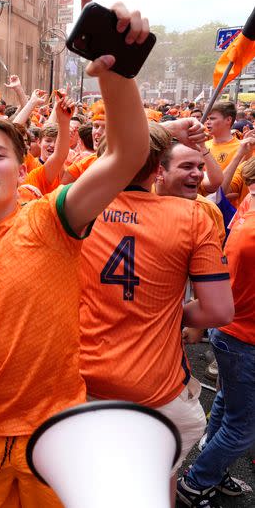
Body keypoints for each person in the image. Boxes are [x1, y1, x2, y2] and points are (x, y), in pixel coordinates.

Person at [0, 0, 152, 506]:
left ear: (20, 165)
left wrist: (115, 74)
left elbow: (126, 157)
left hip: (54, 433)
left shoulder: (52, 218)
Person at [79, 126, 233, 501]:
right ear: (158, 169)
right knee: (158, 473)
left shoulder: (74, 208)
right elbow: (218, 310)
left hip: (82, 380)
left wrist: (158, 132)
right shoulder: (194, 216)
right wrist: (169, 314)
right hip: (156, 384)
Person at [177, 211, 255, 507]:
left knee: (227, 403)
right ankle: (196, 482)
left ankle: (214, 466)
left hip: (232, 334)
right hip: (243, 340)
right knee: (242, 428)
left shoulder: (247, 218)